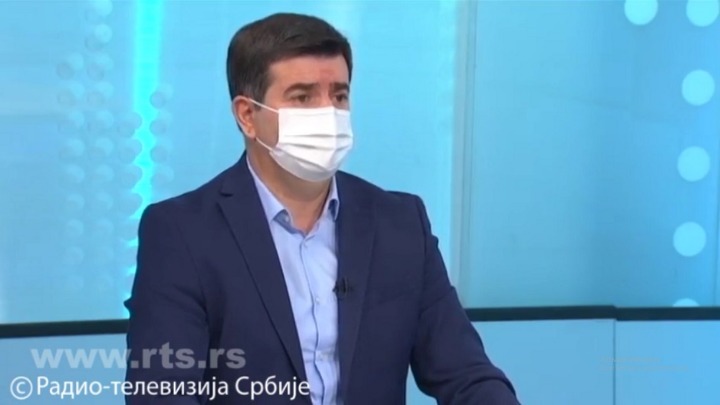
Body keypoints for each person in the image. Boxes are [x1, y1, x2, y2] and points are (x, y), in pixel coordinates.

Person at [125, 12, 518, 405]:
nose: (328, 113)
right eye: (303, 97)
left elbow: (466, 375)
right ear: (247, 115)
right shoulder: (181, 233)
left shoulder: (399, 223)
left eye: (339, 96)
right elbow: (161, 392)